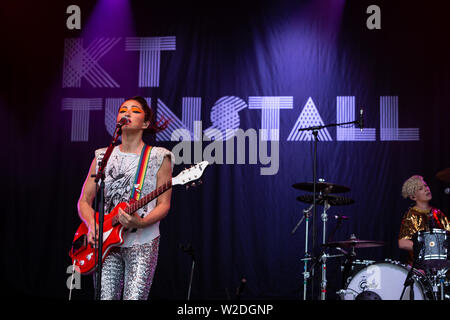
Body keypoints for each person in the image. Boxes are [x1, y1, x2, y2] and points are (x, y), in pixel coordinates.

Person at [77, 96, 174, 300]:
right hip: (106, 243)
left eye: (135, 110)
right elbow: (85, 200)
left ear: (145, 123)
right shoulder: (102, 156)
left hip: (142, 242)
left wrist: (141, 221)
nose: (127, 113)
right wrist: (92, 224)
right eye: (123, 110)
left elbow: (164, 205)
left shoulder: (158, 156)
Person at [398, 175, 450, 266]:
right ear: (413, 197)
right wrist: (429, 249)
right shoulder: (411, 215)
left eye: (426, 186)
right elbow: (402, 243)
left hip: (441, 266)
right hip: (420, 268)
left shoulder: (437, 213)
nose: (426, 189)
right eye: (420, 189)